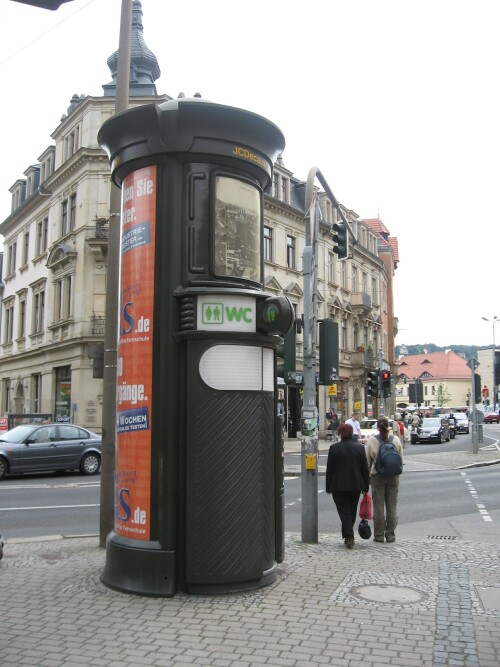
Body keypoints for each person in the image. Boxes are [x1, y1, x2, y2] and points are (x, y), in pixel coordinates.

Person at [325, 423, 369, 549]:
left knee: (344, 512)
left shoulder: (334, 448)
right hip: (356, 485)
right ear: (351, 434)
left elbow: (330, 470)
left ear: (340, 434)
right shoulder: (360, 448)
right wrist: (366, 486)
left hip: (338, 486)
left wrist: (328, 487)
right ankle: (348, 535)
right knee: (351, 510)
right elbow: (364, 469)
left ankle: (349, 537)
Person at [365, 416, 404, 543]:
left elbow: (367, 461)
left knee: (378, 506)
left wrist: (367, 477)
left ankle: (379, 535)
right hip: (393, 476)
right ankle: (391, 535)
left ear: (377, 426)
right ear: (388, 426)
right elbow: (401, 460)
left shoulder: (372, 440)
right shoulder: (396, 440)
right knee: (392, 506)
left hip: (377, 476)